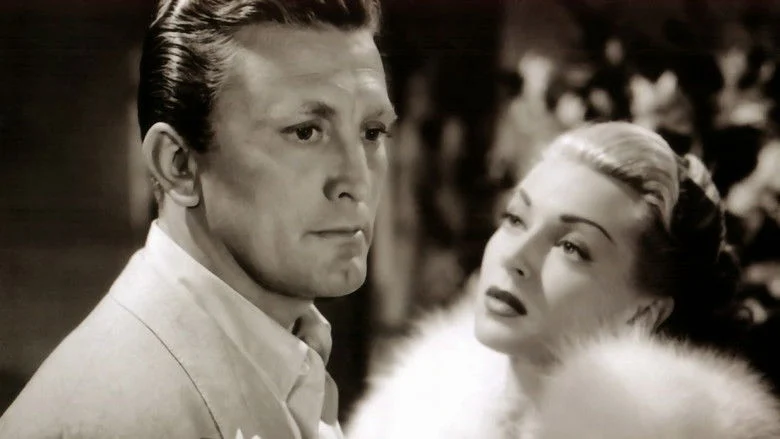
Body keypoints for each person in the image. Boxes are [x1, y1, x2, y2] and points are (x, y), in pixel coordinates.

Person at [0, 0, 394, 438]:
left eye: (372, 132)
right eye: (305, 132)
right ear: (178, 165)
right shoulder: (116, 417)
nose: (356, 180)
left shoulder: (289, 355)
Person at [345, 122, 780, 438]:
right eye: (515, 219)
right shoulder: (409, 410)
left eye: (572, 246)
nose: (516, 256)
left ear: (645, 312)